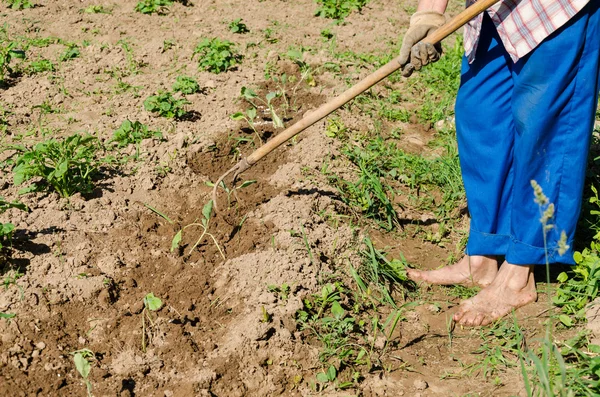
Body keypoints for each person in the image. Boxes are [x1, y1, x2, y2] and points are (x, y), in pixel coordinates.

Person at [399, 0, 600, 326]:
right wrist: (429, 13)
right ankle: (484, 255)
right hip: (494, 10)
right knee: (481, 112)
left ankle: (519, 275)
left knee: (544, 127)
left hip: (556, 8)